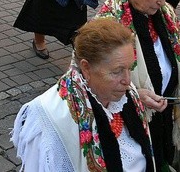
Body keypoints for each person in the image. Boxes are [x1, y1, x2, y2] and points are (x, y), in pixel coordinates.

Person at [96, 0, 180, 171]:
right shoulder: (107, 25)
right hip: (128, 123)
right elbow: (96, 79)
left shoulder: (165, 14)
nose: (162, 0)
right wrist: (134, 95)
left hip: (161, 116)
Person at [12, 19, 155, 171]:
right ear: (86, 68)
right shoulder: (50, 117)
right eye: (117, 71)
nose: (127, 81)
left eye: (129, 68)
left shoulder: (128, 96)